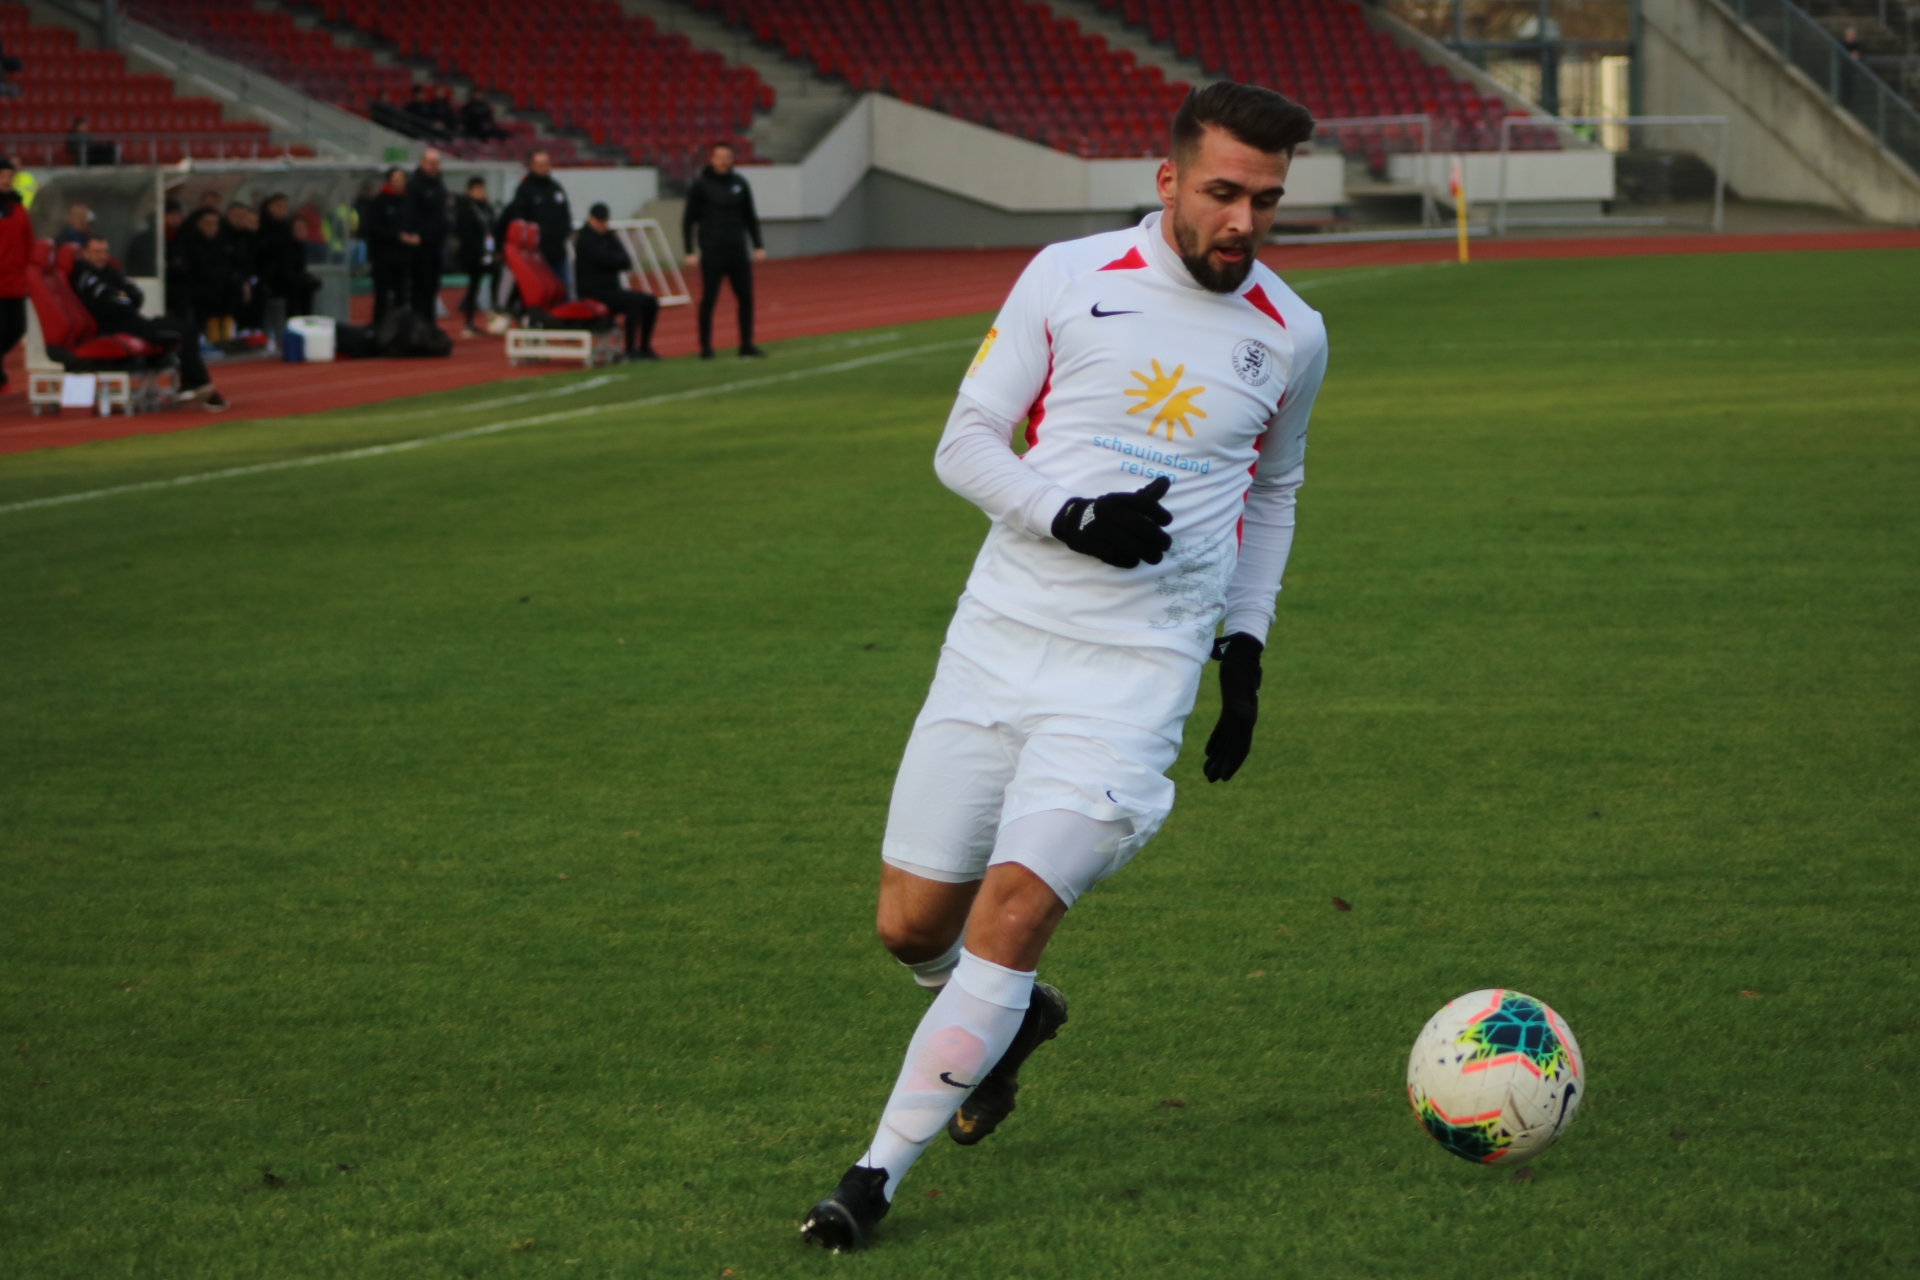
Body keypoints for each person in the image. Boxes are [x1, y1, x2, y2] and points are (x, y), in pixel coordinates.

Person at [795, 82, 1326, 1253]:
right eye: (1224, 192)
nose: (1244, 221)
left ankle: (871, 1176)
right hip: (999, 639)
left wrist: (1245, 645)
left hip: (1138, 671)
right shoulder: (1066, 275)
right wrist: (1070, 514)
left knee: (1018, 902)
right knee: (910, 926)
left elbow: (1276, 490)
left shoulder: (1293, 333)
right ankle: (1015, 1018)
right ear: (1169, 181)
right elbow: (964, 441)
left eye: (1267, 199)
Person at [70, 233, 229, 411]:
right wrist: (124, 297)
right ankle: (198, 387)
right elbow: (110, 303)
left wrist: (123, 297)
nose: (101, 256)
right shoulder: (86, 276)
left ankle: (193, 386)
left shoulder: (109, 271)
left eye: (104, 252)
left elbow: (135, 294)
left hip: (134, 321)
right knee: (184, 332)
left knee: (188, 328)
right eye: (96, 252)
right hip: (117, 326)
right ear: (85, 253)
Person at [682, 142, 765, 359]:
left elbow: (750, 217)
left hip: (737, 249)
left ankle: (746, 345)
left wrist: (758, 245)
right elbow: (688, 220)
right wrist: (689, 250)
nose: (723, 161)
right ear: (712, 159)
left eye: (727, 157)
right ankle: (705, 348)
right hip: (712, 250)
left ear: (731, 159)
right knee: (709, 298)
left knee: (745, 297)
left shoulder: (740, 183)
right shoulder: (701, 185)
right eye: (719, 157)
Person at [574, 201, 658, 360]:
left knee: (651, 302)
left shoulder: (609, 236)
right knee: (634, 303)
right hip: (594, 291)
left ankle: (645, 347)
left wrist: (611, 260)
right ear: (590, 219)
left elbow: (626, 261)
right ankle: (630, 350)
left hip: (612, 289)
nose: (602, 224)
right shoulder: (585, 239)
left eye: (604, 221)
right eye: (599, 221)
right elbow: (604, 259)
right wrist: (612, 260)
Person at [498, 150, 572, 289]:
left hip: (558, 250)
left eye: (545, 164)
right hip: (537, 254)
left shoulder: (555, 187)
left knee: (564, 288)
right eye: (539, 164)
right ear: (532, 166)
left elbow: (566, 214)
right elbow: (519, 219)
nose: (542, 168)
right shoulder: (525, 189)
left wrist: (564, 232)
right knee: (543, 289)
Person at [178, 206, 243, 342]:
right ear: (198, 224)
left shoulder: (223, 241)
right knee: (207, 293)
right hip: (195, 284)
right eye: (208, 223)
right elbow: (194, 268)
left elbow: (230, 265)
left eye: (215, 224)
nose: (212, 227)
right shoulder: (188, 241)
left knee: (233, 287)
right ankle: (209, 336)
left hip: (219, 285)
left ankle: (228, 335)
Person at [363, 165, 415, 326]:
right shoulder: (379, 202)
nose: (400, 182)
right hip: (383, 258)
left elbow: (413, 223)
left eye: (402, 179)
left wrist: (413, 235)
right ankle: (378, 327)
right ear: (389, 181)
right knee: (382, 295)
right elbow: (374, 228)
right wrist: (397, 236)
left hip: (403, 257)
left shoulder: (408, 201)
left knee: (402, 295)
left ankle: (400, 329)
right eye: (396, 179)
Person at [453, 175, 501, 337]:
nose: (481, 193)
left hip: (488, 253)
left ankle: (495, 313)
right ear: (470, 191)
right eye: (477, 190)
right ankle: (469, 322)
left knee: (497, 275)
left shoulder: (487, 208)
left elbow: (493, 228)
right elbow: (465, 233)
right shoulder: (465, 209)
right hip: (473, 255)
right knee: (474, 286)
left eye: (482, 189)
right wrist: (479, 251)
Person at [258, 193, 320, 318]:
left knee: (307, 286)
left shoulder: (293, 238)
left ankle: (305, 321)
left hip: (286, 276)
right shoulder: (264, 229)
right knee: (295, 287)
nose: (282, 209)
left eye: (284, 206)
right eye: (278, 206)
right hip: (272, 278)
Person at [407, 147, 449, 319]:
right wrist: (416, 233)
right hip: (419, 245)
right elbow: (411, 213)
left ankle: (429, 322)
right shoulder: (414, 185)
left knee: (432, 286)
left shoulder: (440, 184)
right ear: (422, 163)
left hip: (436, 243)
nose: (433, 166)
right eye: (430, 162)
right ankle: (418, 322)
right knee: (419, 287)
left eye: (436, 163)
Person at [0, 158, 30, 392]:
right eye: (3, 176)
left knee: (17, 327)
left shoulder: (17, 207)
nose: (7, 180)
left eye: (9, 176)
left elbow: (28, 240)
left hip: (14, 280)